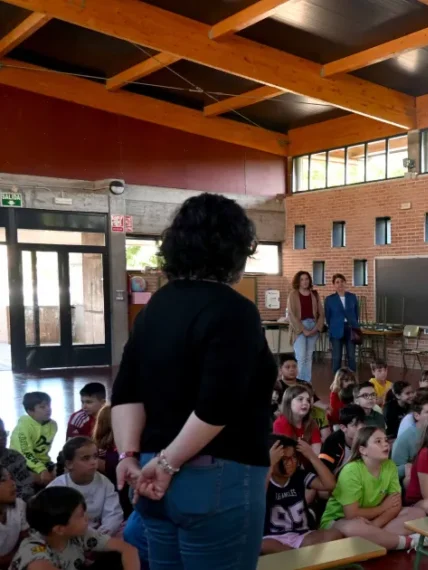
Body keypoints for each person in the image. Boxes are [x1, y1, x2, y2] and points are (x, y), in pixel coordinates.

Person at [111, 193, 278, 570]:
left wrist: (130, 456)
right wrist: (170, 464)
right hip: (214, 479)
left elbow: (125, 392)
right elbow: (216, 405)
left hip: (151, 477)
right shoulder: (234, 310)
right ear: (236, 249)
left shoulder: (158, 305)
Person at [318, 427, 428, 551]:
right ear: (363, 450)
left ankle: (376, 540)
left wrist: (374, 526)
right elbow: (351, 514)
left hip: (372, 521)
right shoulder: (351, 470)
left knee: (417, 513)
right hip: (341, 520)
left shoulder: (390, 466)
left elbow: (396, 505)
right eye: (378, 441)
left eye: (386, 440)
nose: (386, 444)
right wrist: (382, 508)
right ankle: (406, 542)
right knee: (353, 527)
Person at [10, 487, 139, 570]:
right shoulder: (33, 548)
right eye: (81, 515)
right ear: (60, 529)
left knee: (114, 556)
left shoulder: (80, 533)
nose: (87, 518)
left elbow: (128, 550)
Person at [262, 435, 340, 553]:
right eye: (284, 459)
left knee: (335, 534)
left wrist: (311, 456)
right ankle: (298, 556)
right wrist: (269, 465)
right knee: (262, 546)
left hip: (302, 536)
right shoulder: (264, 479)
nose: (291, 462)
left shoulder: (299, 475)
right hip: (273, 538)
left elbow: (330, 485)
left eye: (293, 457)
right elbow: (257, 499)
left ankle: (295, 556)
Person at [48, 437, 123, 537]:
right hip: (67, 535)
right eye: (86, 458)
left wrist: (100, 535)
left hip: (98, 534)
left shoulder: (105, 483)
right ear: (69, 464)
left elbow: (113, 514)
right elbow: (49, 519)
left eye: (95, 456)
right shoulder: (56, 488)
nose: (93, 462)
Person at [391, 393, 428, 486]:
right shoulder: (404, 439)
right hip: (415, 484)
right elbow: (392, 472)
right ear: (416, 415)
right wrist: (409, 467)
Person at [10, 392, 57, 485]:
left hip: (43, 462)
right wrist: (41, 470)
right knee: (36, 479)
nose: (48, 409)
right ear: (30, 411)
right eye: (42, 407)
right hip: (21, 463)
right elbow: (25, 453)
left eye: (48, 405)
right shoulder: (23, 427)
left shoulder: (53, 425)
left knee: (65, 471)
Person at [286, 270, 324, 384]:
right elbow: (291, 314)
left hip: (313, 326)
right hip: (299, 328)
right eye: (302, 279)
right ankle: (299, 384)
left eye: (307, 279)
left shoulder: (315, 294)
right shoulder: (293, 294)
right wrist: (303, 330)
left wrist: (316, 328)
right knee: (301, 357)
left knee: (308, 357)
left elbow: (321, 313)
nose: (305, 281)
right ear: (298, 281)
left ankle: (307, 383)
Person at [324, 274, 360, 374]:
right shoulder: (330, 299)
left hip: (351, 329)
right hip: (336, 330)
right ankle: (337, 380)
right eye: (337, 282)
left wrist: (354, 324)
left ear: (345, 283)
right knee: (337, 356)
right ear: (334, 285)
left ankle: (352, 378)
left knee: (351, 355)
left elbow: (356, 313)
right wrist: (332, 327)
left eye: (341, 281)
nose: (340, 284)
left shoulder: (352, 297)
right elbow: (328, 316)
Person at [273, 386, 322, 453]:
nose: (306, 403)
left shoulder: (312, 423)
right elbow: (288, 454)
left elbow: (317, 454)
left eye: (308, 400)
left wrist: (308, 451)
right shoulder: (280, 423)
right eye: (300, 399)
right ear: (288, 402)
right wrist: (309, 450)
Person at [319, 405, 366, 474]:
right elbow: (324, 471)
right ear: (343, 428)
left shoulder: (369, 438)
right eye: (355, 425)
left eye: (363, 423)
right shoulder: (332, 443)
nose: (361, 428)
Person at [0, 418, 34, 502]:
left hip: (16, 504)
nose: (2, 438)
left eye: (3, 434)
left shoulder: (14, 457)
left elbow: (27, 488)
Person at [0, 466, 27, 570]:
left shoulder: (19, 505)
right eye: (3, 480)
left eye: (11, 478)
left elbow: (25, 538)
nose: (12, 483)